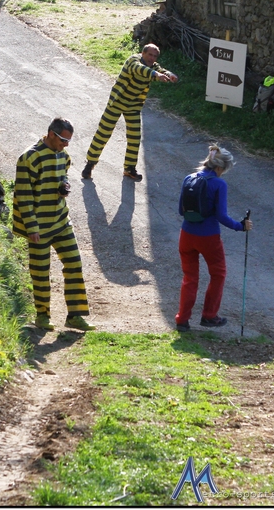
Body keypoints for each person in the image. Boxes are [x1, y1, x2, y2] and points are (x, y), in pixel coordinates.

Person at [12, 118, 95, 331]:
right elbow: (23, 195)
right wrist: (31, 228)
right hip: (38, 227)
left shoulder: (63, 156)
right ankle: (42, 316)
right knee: (40, 272)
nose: (65, 145)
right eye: (62, 140)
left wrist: (63, 186)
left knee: (74, 264)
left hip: (61, 221)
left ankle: (75, 316)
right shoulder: (29, 158)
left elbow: (62, 176)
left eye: (68, 141)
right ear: (51, 134)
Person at [175, 144, 252, 331]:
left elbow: (181, 211)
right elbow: (221, 216)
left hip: (186, 235)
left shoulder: (189, 178)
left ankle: (182, 320)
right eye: (224, 170)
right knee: (218, 274)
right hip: (208, 237)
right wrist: (240, 226)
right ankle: (209, 316)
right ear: (219, 167)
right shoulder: (219, 184)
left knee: (190, 277)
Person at [81, 43, 178, 182]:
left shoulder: (153, 67)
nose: (152, 58)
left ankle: (129, 169)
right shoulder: (133, 60)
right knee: (103, 133)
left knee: (134, 137)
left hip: (133, 106)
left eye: (155, 56)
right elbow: (139, 69)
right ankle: (90, 164)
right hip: (117, 101)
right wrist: (156, 74)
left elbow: (161, 70)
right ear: (143, 53)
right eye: (150, 55)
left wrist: (170, 75)